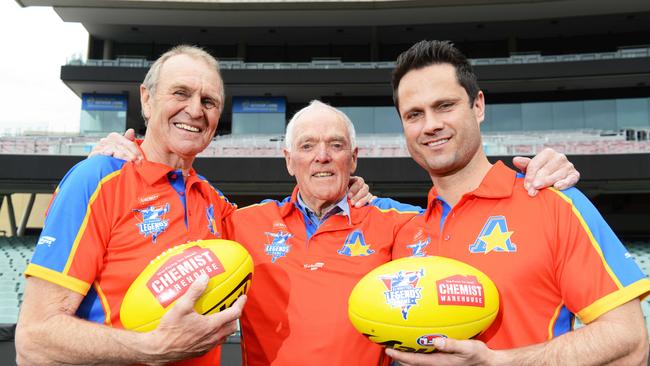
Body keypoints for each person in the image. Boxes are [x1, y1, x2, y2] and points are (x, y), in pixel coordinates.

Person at [94, 98, 579, 365]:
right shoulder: (239, 223)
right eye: (307, 146)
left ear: (354, 158)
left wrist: (545, 171)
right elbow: (175, 198)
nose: (321, 156)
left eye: (334, 146)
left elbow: (469, 220)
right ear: (289, 160)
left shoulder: (402, 223)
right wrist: (119, 156)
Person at [388, 40, 650, 365]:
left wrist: (498, 362)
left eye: (444, 106)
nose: (430, 125)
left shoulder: (552, 202)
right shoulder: (405, 234)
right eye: (414, 114)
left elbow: (630, 342)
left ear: (478, 106)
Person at [15, 45, 246, 366]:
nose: (195, 110)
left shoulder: (212, 201)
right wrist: (152, 347)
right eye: (181, 93)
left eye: (209, 102)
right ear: (147, 100)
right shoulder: (96, 178)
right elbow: (34, 341)